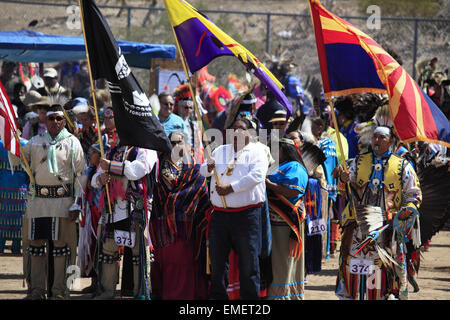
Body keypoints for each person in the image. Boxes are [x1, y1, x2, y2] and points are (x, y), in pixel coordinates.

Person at [335, 125, 422, 300]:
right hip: (358, 228)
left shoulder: (402, 166)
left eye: (382, 137)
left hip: (386, 229)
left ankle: (386, 295)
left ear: (391, 141)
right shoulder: (358, 162)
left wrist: (407, 211)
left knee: (385, 269)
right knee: (351, 265)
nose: (377, 140)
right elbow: (343, 190)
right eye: (375, 136)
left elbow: (415, 195)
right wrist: (343, 179)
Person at [9, 103, 87, 300]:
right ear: (45, 120)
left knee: (62, 249)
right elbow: (17, 160)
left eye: (58, 118)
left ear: (64, 121)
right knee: (34, 247)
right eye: (51, 118)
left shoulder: (72, 143)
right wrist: (14, 141)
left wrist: (77, 203)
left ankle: (60, 292)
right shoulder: (35, 141)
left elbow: (80, 175)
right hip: (38, 203)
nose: (54, 122)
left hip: (63, 202)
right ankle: (35, 291)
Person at [200, 117, 269, 300]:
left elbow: (257, 176)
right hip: (220, 216)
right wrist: (208, 166)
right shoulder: (220, 150)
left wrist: (230, 188)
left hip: (246, 216)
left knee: (248, 264)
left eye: (242, 129)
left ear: (250, 133)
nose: (237, 132)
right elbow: (202, 171)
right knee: (217, 263)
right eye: (234, 129)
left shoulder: (258, 152)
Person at [91, 140, 158, 300]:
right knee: (108, 252)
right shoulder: (113, 151)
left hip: (136, 210)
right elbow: (95, 178)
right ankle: (106, 292)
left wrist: (112, 167)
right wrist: (100, 178)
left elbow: (138, 170)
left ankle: (140, 292)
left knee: (138, 254)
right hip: (113, 210)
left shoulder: (146, 149)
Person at [150, 131, 210, 300]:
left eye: (179, 142)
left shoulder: (196, 168)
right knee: (163, 264)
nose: (176, 146)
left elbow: (203, 194)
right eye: (173, 143)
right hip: (161, 227)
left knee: (183, 264)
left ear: (187, 144)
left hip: (187, 227)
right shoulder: (157, 166)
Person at [265, 137, 308, 300]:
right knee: (275, 262)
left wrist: (269, 185)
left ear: (286, 150)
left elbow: (294, 191)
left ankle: (285, 296)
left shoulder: (295, 166)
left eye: (277, 149)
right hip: (273, 222)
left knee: (284, 261)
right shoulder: (277, 166)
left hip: (286, 222)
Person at [0, 138, 29, 254]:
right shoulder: (26, 144)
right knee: (17, 216)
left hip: (9, 185)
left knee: (6, 216)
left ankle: (5, 246)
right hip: (18, 186)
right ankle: (15, 247)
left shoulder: (25, 144)